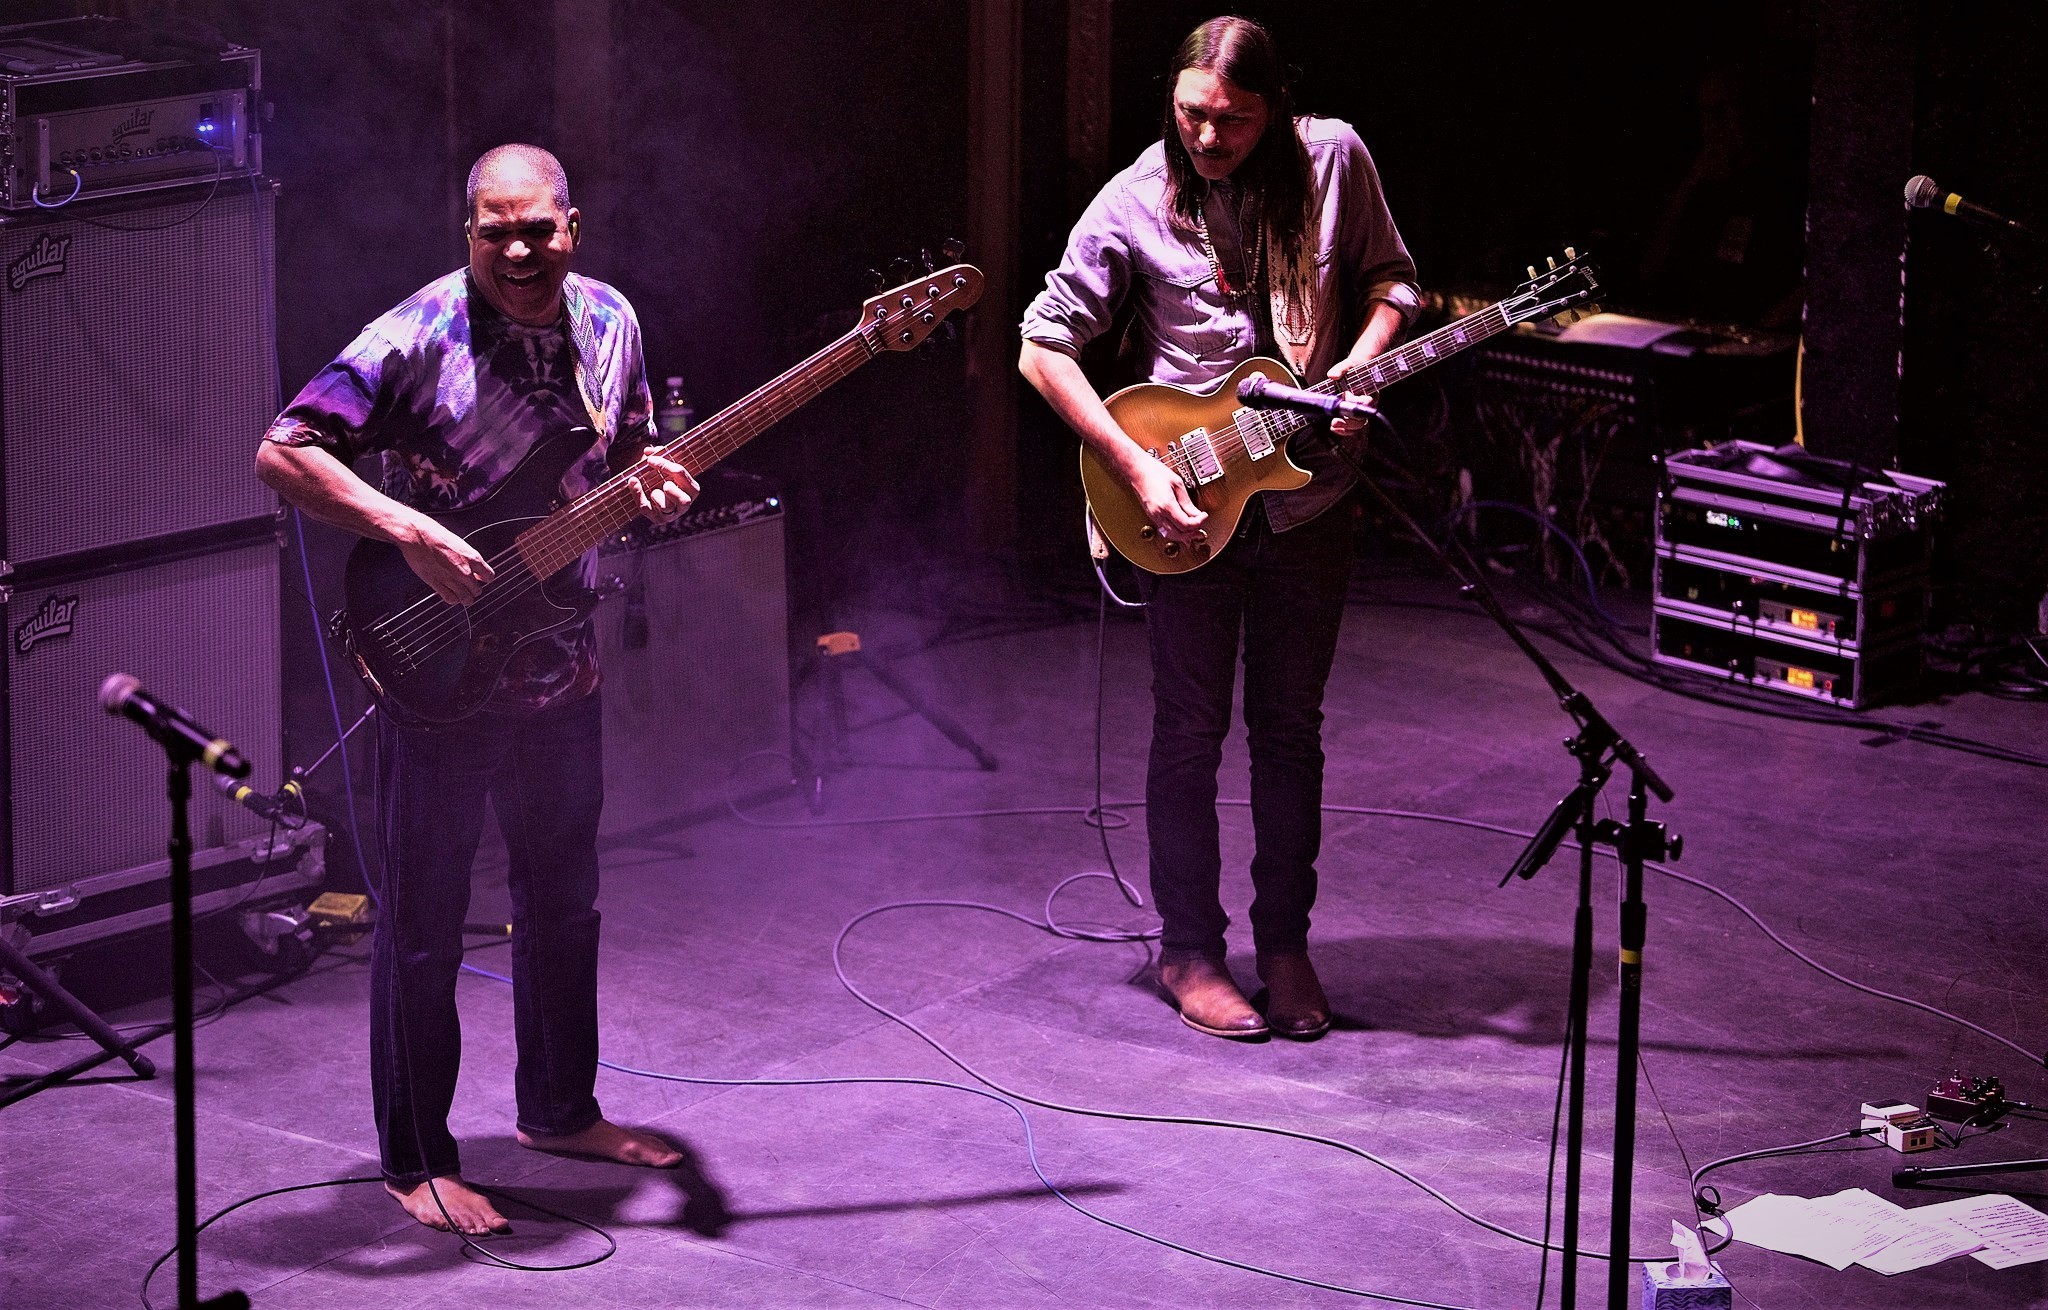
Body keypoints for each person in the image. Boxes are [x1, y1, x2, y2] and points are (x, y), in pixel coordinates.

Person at [255, 144, 698, 1234]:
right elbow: (283, 451)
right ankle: (415, 1159)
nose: (516, 249)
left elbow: (633, 459)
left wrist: (660, 493)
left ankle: (558, 1107)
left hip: (557, 659)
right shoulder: (412, 336)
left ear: (572, 226)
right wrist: (405, 527)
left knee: (565, 900)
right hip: (438, 668)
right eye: (493, 228)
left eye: (536, 228)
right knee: (421, 925)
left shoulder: (610, 322)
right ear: (466, 233)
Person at [1019, 17, 1419, 1041]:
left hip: (1308, 499)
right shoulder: (1132, 199)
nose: (1205, 139)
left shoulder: (1336, 159)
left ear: (1274, 110)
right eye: (1190, 115)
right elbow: (1041, 348)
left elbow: (1392, 284)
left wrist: (1349, 369)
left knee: (1289, 733)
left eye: (1231, 123)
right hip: (1184, 503)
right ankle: (1187, 949)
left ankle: (1283, 946)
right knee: (1187, 733)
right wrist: (1134, 466)